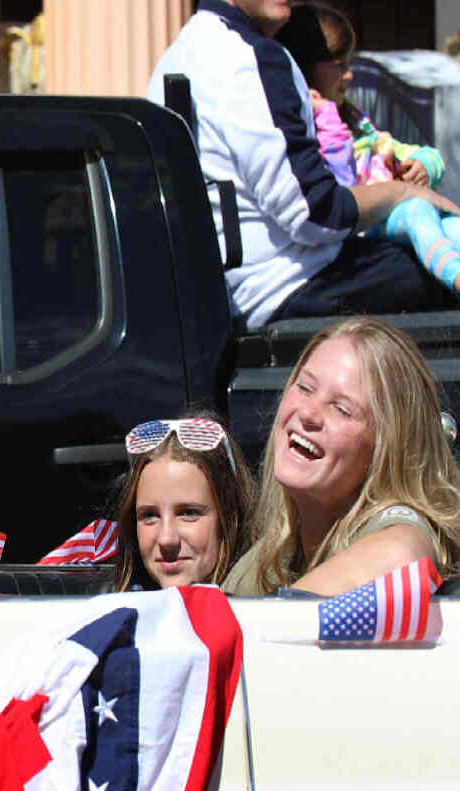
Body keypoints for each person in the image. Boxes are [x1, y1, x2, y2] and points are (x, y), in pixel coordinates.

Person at [146, 1, 460, 331]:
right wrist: (402, 192)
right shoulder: (252, 59)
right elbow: (315, 213)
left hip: (232, 294)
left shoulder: (176, 55)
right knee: (439, 267)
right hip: (286, 289)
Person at [223, 316, 460, 596]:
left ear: (386, 449)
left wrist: (276, 616)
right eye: (305, 388)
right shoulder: (270, 555)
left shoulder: (401, 530)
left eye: (342, 409)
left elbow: (403, 554)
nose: (308, 413)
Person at [276, 3, 460, 295]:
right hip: (365, 225)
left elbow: (414, 151)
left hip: (395, 213)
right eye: (339, 65)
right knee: (418, 211)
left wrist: (423, 166)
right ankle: (455, 277)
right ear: (305, 66)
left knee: (453, 228)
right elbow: (342, 182)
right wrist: (327, 117)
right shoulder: (306, 128)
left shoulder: (356, 122)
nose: (349, 75)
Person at [113, 415, 255, 590]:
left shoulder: (271, 604)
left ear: (230, 516)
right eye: (149, 515)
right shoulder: (109, 603)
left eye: (189, 513)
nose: (166, 539)